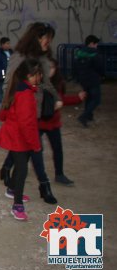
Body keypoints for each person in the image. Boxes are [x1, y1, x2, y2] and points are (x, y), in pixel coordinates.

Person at [0, 22, 63, 205]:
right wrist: (8, 106)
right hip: (22, 112)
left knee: (25, 152)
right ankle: (36, 189)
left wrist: (56, 98)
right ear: (37, 38)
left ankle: (10, 180)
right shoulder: (19, 57)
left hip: (37, 112)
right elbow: (6, 80)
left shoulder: (42, 58)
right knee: (32, 149)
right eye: (46, 39)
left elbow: (46, 84)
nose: (48, 43)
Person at [0, 58, 43, 221]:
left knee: (19, 165)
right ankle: (17, 205)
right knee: (22, 170)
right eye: (38, 75)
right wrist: (35, 144)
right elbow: (26, 123)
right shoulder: (25, 94)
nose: (40, 77)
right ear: (29, 75)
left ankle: (11, 189)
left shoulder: (18, 88)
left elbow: (4, 112)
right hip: (19, 138)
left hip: (15, 135)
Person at [40, 58, 86, 187]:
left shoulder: (58, 83)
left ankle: (59, 174)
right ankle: (12, 169)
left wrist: (77, 98)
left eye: (52, 67)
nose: (49, 70)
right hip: (39, 122)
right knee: (31, 149)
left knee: (58, 149)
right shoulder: (36, 81)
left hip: (53, 123)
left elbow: (62, 100)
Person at [74, 35, 103, 128]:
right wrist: (102, 75)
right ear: (91, 44)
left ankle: (89, 116)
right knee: (96, 99)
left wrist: (78, 78)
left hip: (83, 79)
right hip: (93, 79)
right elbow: (99, 67)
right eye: (96, 44)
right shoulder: (94, 54)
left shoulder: (79, 53)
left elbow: (75, 67)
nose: (96, 46)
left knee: (89, 97)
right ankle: (84, 116)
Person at [0, 37, 13, 108]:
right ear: (2, 44)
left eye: (9, 43)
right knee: (1, 88)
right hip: (3, 72)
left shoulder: (11, 52)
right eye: (7, 43)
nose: (8, 45)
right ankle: (0, 101)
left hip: (11, 73)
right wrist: (2, 75)